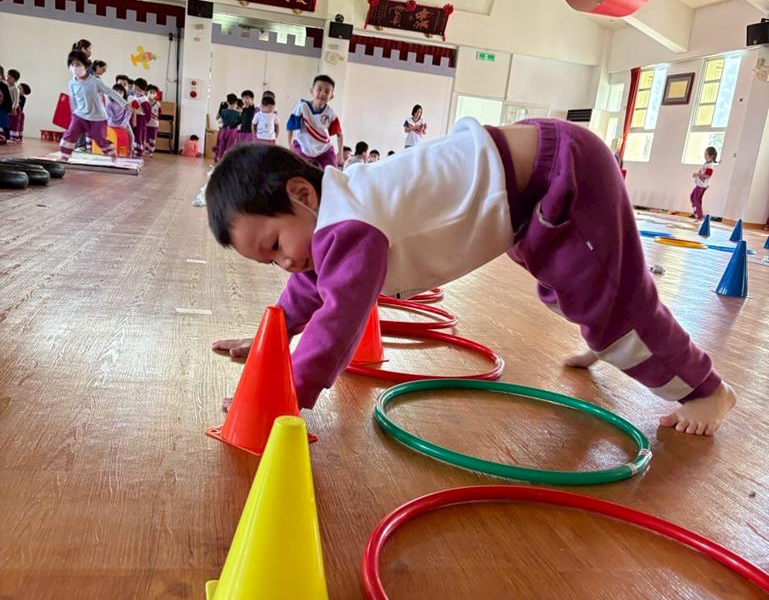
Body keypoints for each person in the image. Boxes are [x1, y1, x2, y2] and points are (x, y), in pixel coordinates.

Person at [207, 117, 736, 437]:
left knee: (619, 309)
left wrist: (288, 394)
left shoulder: (350, 225)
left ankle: (707, 390)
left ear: (302, 194)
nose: (284, 263)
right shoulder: (332, 218)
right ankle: (604, 336)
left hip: (563, 174)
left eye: (275, 245)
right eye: (268, 261)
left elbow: (340, 319)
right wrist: (270, 340)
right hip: (528, 189)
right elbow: (310, 287)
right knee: (581, 286)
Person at [58, 48, 126, 161]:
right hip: (79, 115)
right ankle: (64, 156)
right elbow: (73, 99)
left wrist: (124, 103)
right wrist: (74, 113)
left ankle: (111, 152)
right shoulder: (71, 83)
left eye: (78, 64)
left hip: (97, 117)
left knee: (99, 139)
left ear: (85, 66)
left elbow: (109, 92)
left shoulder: (94, 81)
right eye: (72, 65)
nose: (75, 67)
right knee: (70, 134)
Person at [287, 74, 343, 169]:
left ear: (331, 96)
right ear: (312, 91)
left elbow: (340, 134)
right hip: (303, 148)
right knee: (297, 171)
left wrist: (340, 155)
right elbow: (290, 127)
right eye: (319, 89)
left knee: (331, 172)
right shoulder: (302, 107)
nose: (322, 93)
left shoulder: (330, 113)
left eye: (327, 91)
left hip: (324, 150)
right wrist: (290, 146)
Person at [106, 83, 134, 157]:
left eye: (120, 92)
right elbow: (109, 115)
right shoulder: (110, 104)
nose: (118, 94)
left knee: (132, 136)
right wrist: (112, 124)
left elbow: (128, 115)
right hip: (112, 124)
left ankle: (130, 151)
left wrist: (124, 124)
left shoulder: (126, 104)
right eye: (116, 92)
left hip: (124, 124)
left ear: (124, 94)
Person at [690, 147, 718, 220]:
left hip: (702, 186)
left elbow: (708, 175)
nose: (704, 156)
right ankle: (697, 212)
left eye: (706, 154)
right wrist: (697, 174)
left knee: (696, 199)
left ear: (711, 156)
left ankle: (699, 215)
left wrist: (698, 174)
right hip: (699, 184)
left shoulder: (710, 165)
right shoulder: (706, 163)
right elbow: (702, 170)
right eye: (704, 154)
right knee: (692, 197)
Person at [132, 78, 152, 158]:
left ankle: (138, 152)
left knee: (139, 135)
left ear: (137, 86)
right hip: (136, 117)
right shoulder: (137, 97)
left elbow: (148, 111)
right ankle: (135, 151)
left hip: (140, 119)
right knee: (135, 134)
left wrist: (144, 121)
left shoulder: (143, 98)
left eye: (134, 86)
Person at [146, 85, 161, 156]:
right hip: (145, 123)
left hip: (154, 124)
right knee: (145, 137)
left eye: (154, 92)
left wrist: (157, 120)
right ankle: (145, 150)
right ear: (147, 92)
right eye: (150, 92)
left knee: (152, 138)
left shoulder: (158, 104)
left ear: (156, 94)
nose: (152, 93)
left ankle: (151, 151)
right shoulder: (144, 102)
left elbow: (160, 114)